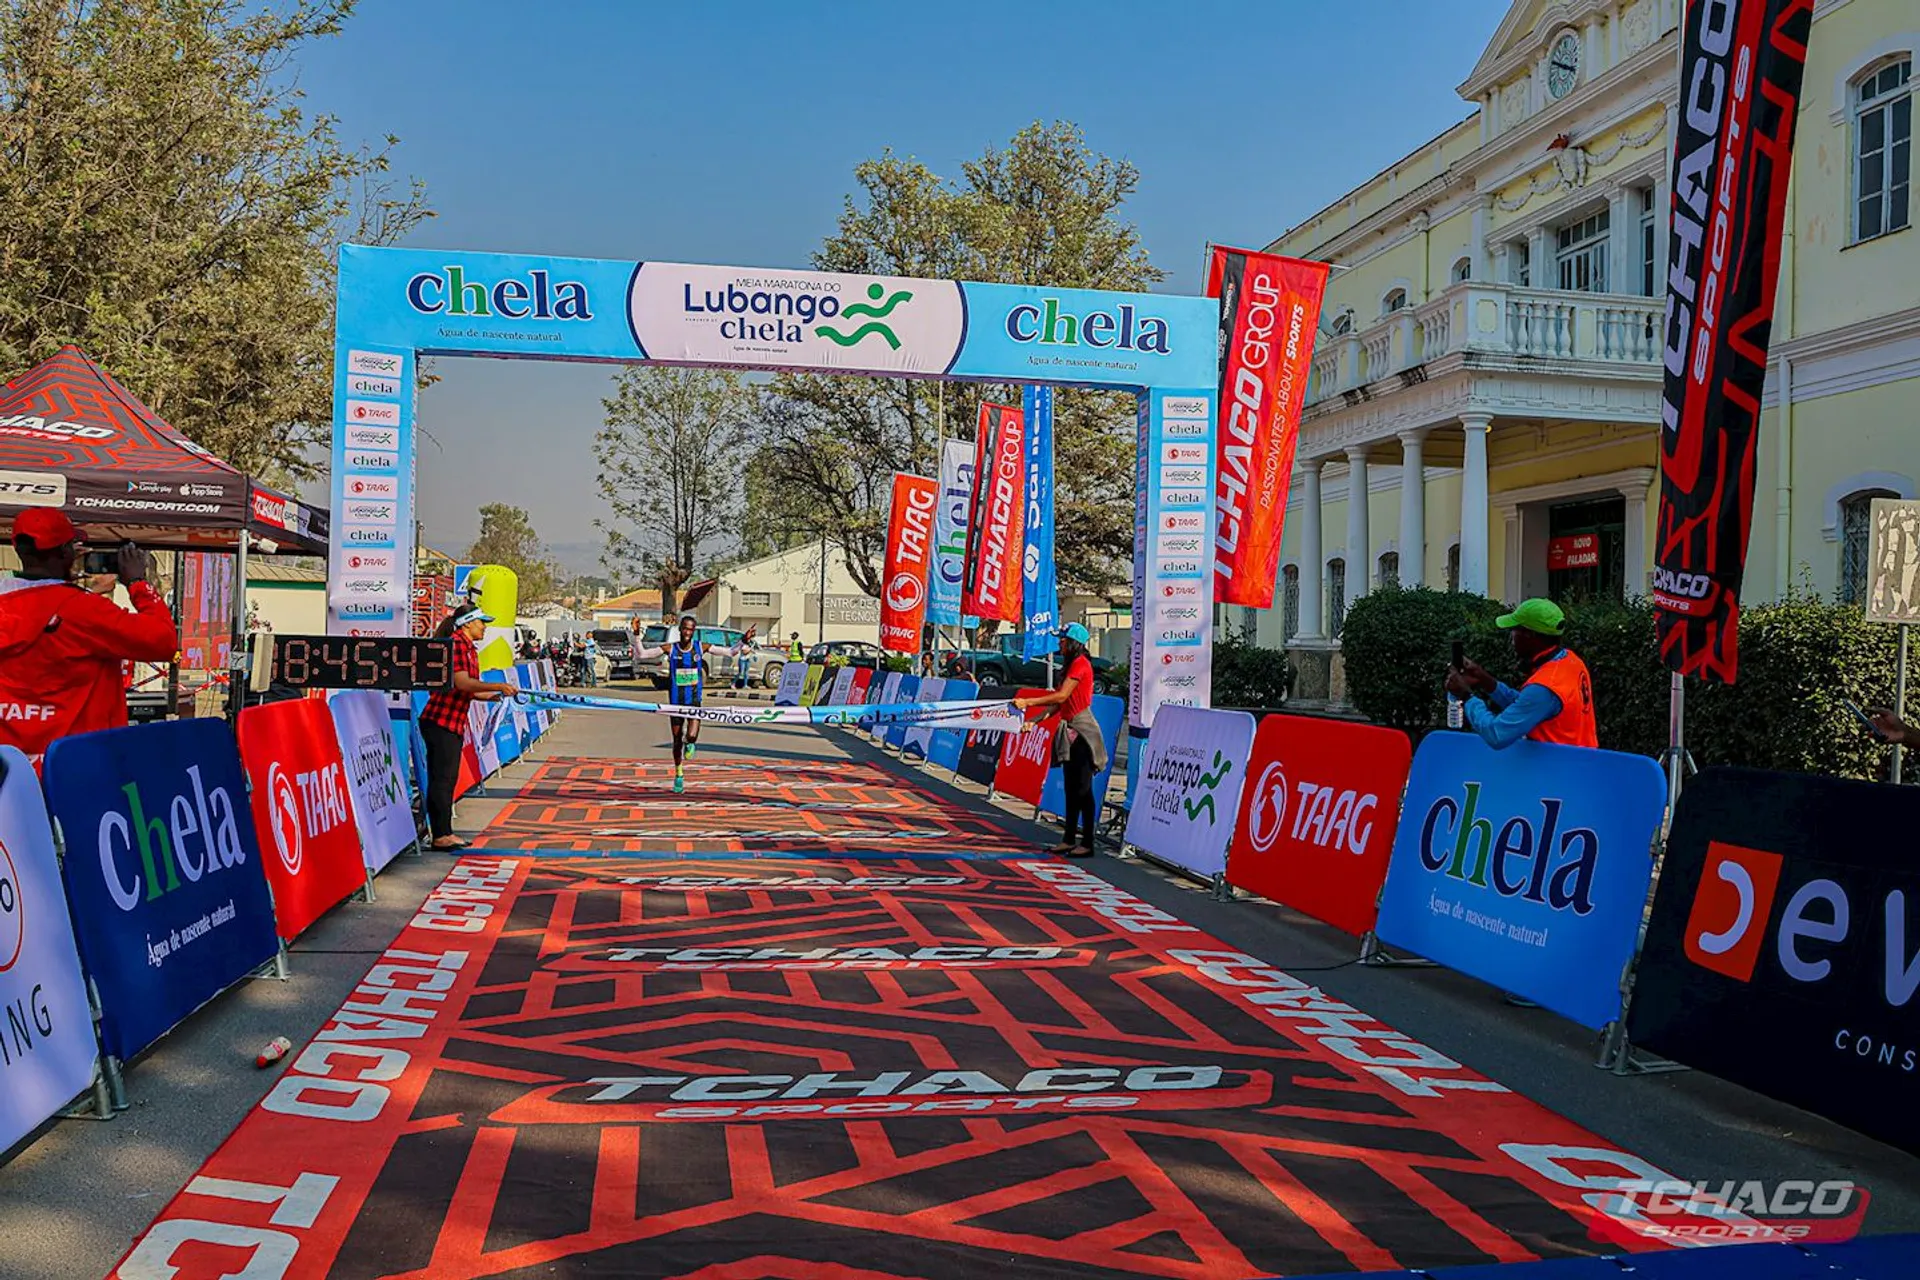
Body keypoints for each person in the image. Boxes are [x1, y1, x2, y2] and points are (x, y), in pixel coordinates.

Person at [0, 511, 178, 771]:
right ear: (65, 552)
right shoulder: (85, 611)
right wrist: (139, 584)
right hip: (77, 770)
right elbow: (163, 641)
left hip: (11, 773)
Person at [418, 603, 518, 850]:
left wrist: (493, 696)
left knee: (446, 779)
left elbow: (469, 690)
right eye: (482, 622)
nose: (485, 627)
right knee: (442, 779)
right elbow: (462, 682)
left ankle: (444, 832)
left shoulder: (470, 649)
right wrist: (497, 687)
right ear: (468, 623)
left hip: (452, 721)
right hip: (440, 721)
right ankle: (440, 835)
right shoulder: (457, 646)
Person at [1445, 598, 1598, 750]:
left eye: (1515, 629)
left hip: (1559, 768)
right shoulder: (1572, 661)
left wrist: (1465, 696)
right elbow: (1526, 705)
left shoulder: (1545, 687)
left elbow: (1496, 734)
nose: (1512, 636)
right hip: (1582, 763)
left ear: (1529, 635)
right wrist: (1485, 680)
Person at [631, 614, 756, 793]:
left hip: (694, 702)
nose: (687, 632)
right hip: (675, 703)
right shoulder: (670, 648)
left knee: (691, 736)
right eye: (685, 628)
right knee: (676, 741)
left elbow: (730, 652)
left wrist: (744, 639)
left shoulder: (700, 647)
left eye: (691, 629)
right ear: (680, 629)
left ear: (694, 631)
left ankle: (689, 741)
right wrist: (636, 633)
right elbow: (642, 654)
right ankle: (679, 774)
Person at [1012, 623, 1107, 858]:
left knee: (1084, 790)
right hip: (1069, 732)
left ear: (1073, 642)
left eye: (1063, 640)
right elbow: (1058, 705)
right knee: (1071, 789)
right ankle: (1068, 839)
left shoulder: (1080, 665)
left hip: (1083, 733)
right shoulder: (1070, 666)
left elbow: (1062, 696)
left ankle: (1087, 843)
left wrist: (1028, 702)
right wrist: (1034, 721)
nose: (1059, 643)